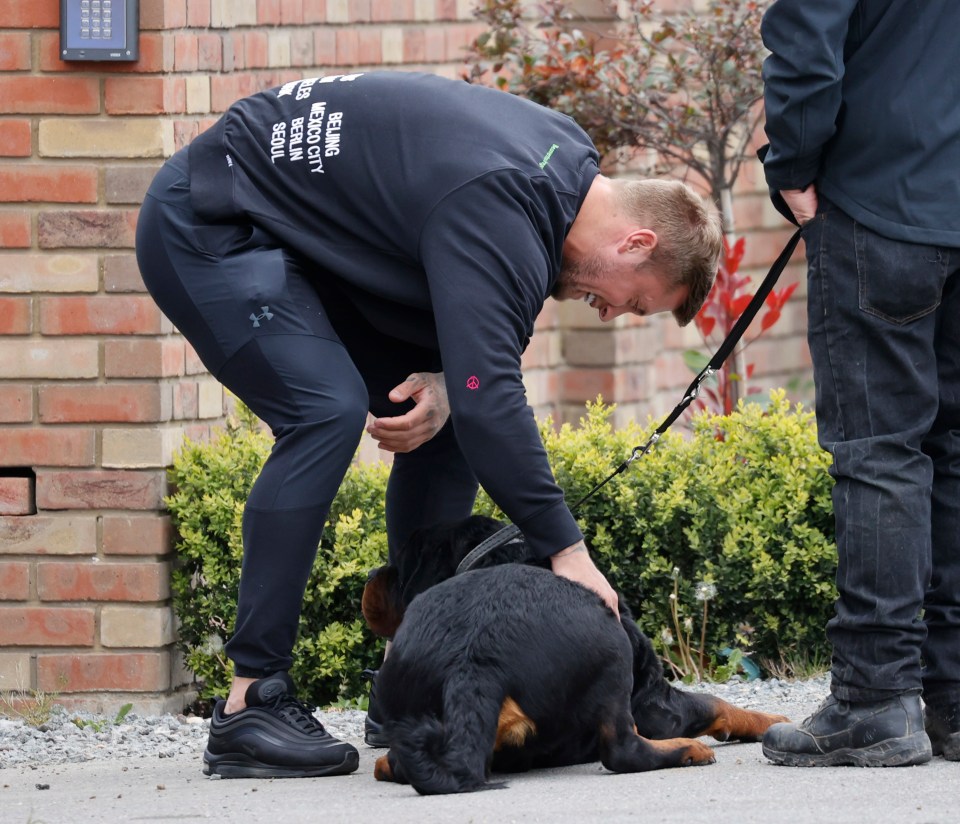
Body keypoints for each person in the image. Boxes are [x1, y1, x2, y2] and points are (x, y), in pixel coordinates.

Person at [136, 70, 722, 779]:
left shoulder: (561, 168)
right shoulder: (503, 200)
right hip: (214, 222)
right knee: (323, 412)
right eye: (634, 303)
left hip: (310, 242)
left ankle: (407, 682)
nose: (610, 312)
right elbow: (492, 390)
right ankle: (249, 705)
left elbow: (484, 340)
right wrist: (566, 552)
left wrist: (453, 382)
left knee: (444, 418)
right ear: (635, 242)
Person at [759, 0, 960, 767]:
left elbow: (806, 45)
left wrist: (794, 165)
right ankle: (951, 695)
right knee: (954, 445)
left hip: (885, 199)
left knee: (880, 448)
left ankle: (876, 700)